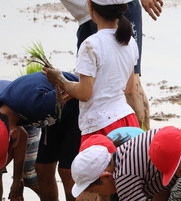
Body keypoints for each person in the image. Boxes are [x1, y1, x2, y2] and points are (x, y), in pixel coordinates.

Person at [45, 0, 140, 143]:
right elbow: (129, 88)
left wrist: (60, 79)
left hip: (100, 126)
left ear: (89, 6)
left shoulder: (90, 45)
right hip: (127, 121)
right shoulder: (130, 41)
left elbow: (84, 94)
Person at [59, 0, 164, 130]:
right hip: (84, 15)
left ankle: (143, 142)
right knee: (92, 80)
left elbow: (129, 86)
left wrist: (62, 81)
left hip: (112, 6)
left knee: (131, 84)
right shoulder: (89, 43)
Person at [0, 72, 80, 201]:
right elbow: (22, 135)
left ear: (13, 134)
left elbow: (75, 90)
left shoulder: (36, 104)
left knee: (67, 171)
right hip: (50, 116)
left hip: (75, 112)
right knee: (42, 169)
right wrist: (17, 180)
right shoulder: (6, 114)